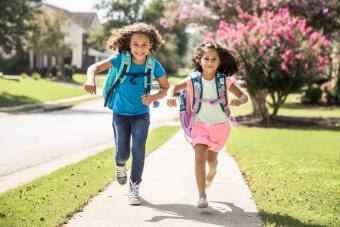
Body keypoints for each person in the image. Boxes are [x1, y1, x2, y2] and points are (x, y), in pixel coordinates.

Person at [84, 23, 169, 205]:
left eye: (144, 45)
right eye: (135, 44)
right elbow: (94, 68)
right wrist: (90, 80)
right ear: (129, 45)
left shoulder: (153, 65)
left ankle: (134, 187)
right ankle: (120, 165)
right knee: (122, 153)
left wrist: (154, 96)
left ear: (151, 46)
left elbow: (165, 88)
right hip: (120, 114)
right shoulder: (120, 59)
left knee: (139, 149)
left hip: (141, 114)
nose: (139, 48)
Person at [166, 42, 248, 208]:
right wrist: (169, 96)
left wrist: (239, 101)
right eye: (206, 58)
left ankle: (213, 171)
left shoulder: (224, 81)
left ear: (219, 62)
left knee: (212, 159)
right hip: (199, 125)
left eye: (213, 59)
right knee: (199, 158)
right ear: (200, 60)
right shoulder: (192, 80)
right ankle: (202, 196)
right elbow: (174, 86)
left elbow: (244, 96)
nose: (209, 62)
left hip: (220, 126)